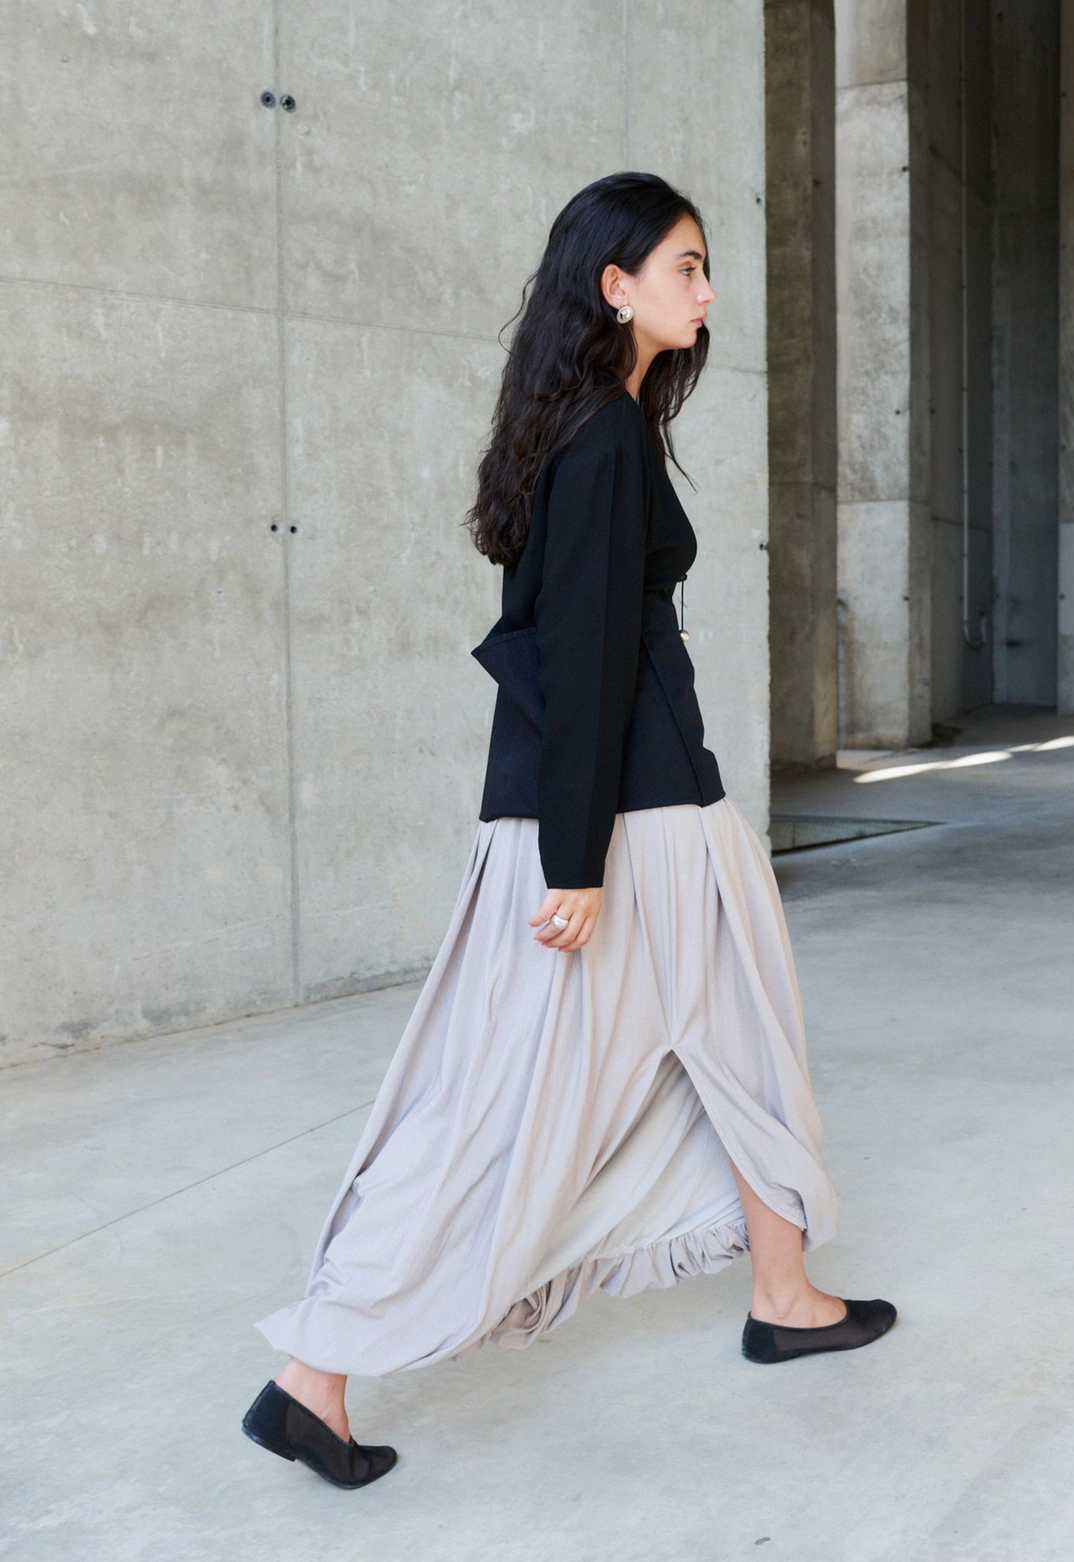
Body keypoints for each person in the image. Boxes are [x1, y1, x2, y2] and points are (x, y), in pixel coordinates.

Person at [241, 171, 896, 1491]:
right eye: (685, 267)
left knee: (741, 1049)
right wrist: (577, 864)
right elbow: (584, 657)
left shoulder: (595, 423)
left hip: (641, 805)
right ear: (614, 284)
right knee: (502, 1102)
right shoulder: (603, 438)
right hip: (632, 821)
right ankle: (314, 1370)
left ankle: (783, 1293)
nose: (707, 292)